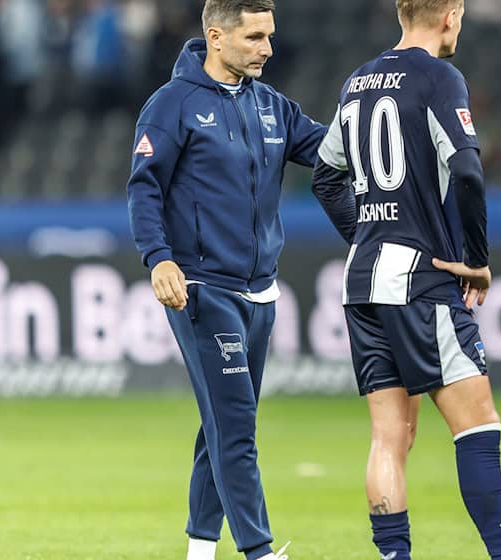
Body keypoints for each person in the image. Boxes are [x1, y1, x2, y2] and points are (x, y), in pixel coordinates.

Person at [311, 1, 501, 558]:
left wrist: (366, 237)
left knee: (390, 438)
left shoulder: (357, 82)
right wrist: (476, 257)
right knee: (478, 427)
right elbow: (468, 170)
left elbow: (326, 176)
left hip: (363, 281)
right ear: (451, 14)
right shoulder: (439, 78)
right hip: (419, 280)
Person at [125, 1, 324, 558]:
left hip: (262, 290)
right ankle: (258, 551)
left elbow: (329, 150)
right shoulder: (173, 105)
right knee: (235, 426)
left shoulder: (272, 106)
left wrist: (380, 125)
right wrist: (159, 258)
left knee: (222, 421)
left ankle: (199, 552)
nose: (267, 48)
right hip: (202, 288)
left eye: (270, 36)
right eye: (255, 36)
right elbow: (144, 188)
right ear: (216, 36)